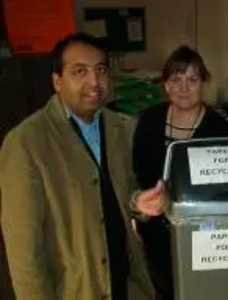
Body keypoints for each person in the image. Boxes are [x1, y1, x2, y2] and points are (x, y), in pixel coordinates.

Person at [0, 32, 164, 300]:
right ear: (57, 81)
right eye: (79, 71)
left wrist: (136, 201)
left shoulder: (117, 126)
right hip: (75, 290)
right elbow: (24, 254)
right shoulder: (26, 143)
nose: (94, 82)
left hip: (125, 281)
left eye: (100, 70)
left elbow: (121, 187)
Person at [132, 45, 228, 299]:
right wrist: (136, 212)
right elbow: (136, 171)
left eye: (192, 79)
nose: (184, 87)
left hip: (200, 233)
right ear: (165, 85)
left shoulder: (218, 129)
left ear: (203, 83)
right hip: (155, 228)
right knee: (163, 288)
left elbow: (227, 189)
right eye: (176, 80)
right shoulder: (149, 120)